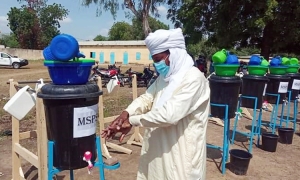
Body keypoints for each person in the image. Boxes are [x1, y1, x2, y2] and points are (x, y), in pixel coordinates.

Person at [102, 28, 210, 180]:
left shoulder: (193, 79)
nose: (157, 64)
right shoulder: (166, 77)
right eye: (154, 59)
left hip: (180, 159)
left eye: (159, 59)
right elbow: (147, 98)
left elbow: (169, 115)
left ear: (173, 54)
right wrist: (126, 113)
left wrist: (132, 121)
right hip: (157, 154)